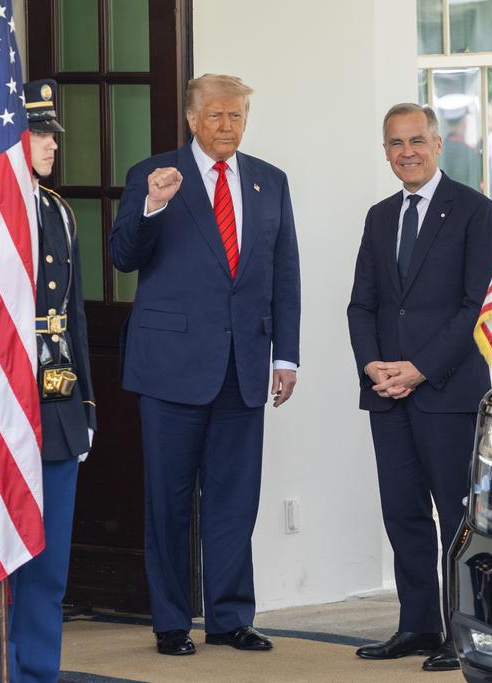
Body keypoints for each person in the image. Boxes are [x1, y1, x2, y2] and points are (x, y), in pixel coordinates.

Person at [109, 73, 300, 657]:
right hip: (171, 368)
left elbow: (284, 273)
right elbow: (122, 256)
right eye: (215, 115)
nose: (226, 126)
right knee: (168, 502)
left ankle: (229, 618)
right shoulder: (154, 174)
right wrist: (153, 205)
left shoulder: (270, 181)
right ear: (192, 119)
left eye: (236, 115)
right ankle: (171, 622)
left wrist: (286, 356)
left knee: (234, 501)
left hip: (244, 367)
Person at [347, 103, 492, 672]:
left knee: (458, 520)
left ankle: (460, 634)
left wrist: (419, 368)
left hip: (447, 392)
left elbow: (475, 306)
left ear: (438, 145)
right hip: (387, 393)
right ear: (385, 152)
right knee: (403, 513)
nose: (406, 152)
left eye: (416, 140)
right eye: (395, 143)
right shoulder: (379, 216)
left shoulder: (475, 211)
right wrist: (374, 366)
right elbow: (362, 305)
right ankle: (416, 625)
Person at [0, 78, 96, 682]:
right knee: (0, 563)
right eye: (40, 134)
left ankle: (39, 673)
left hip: (56, 404)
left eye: (51, 134)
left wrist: (85, 406)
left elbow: (73, 317)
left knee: (48, 564)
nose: (52, 145)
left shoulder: (58, 211)